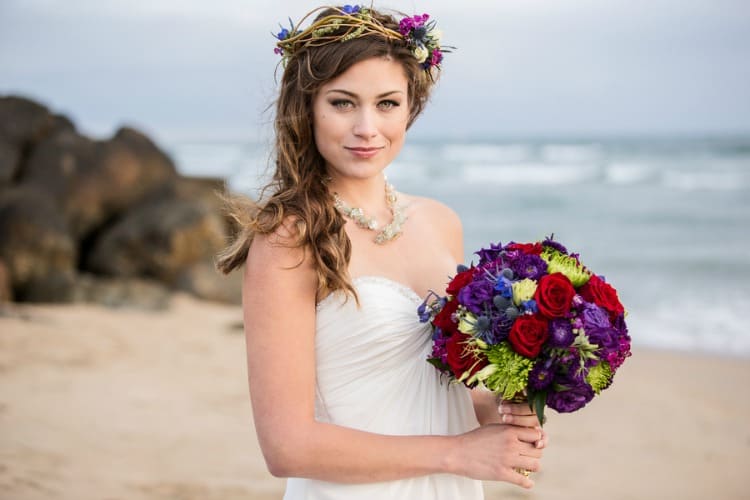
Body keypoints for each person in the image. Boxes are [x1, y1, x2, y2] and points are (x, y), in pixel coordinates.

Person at [217, 5, 547, 499]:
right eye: (344, 103)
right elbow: (286, 446)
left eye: (388, 104)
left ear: (411, 107)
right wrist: (460, 453)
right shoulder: (290, 240)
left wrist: (507, 407)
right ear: (306, 108)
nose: (367, 128)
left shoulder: (441, 223)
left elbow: (447, 386)